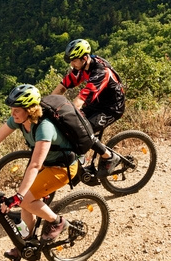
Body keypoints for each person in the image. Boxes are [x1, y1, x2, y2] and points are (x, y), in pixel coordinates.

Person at [0, 83, 79, 261]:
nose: (12, 113)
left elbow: (35, 165)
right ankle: (26, 243)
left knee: (26, 199)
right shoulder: (19, 120)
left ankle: (57, 222)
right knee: (25, 202)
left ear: (30, 110)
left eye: (16, 110)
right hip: (47, 164)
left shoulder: (45, 127)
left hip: (61, 168)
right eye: (12, 109)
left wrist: (19, 196)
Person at [52, 38, 126, 177]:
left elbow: (81, 99)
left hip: (112, 108)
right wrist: (47, 104)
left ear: (84, 58)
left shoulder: (101, 72)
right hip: (96, 104)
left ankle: (109, 156)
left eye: (74, 61)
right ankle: (82, 158)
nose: (72, 64)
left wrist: (67, 115)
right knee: (72, 129)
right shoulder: (81, 67)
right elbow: (63, 86)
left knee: (84, 131)